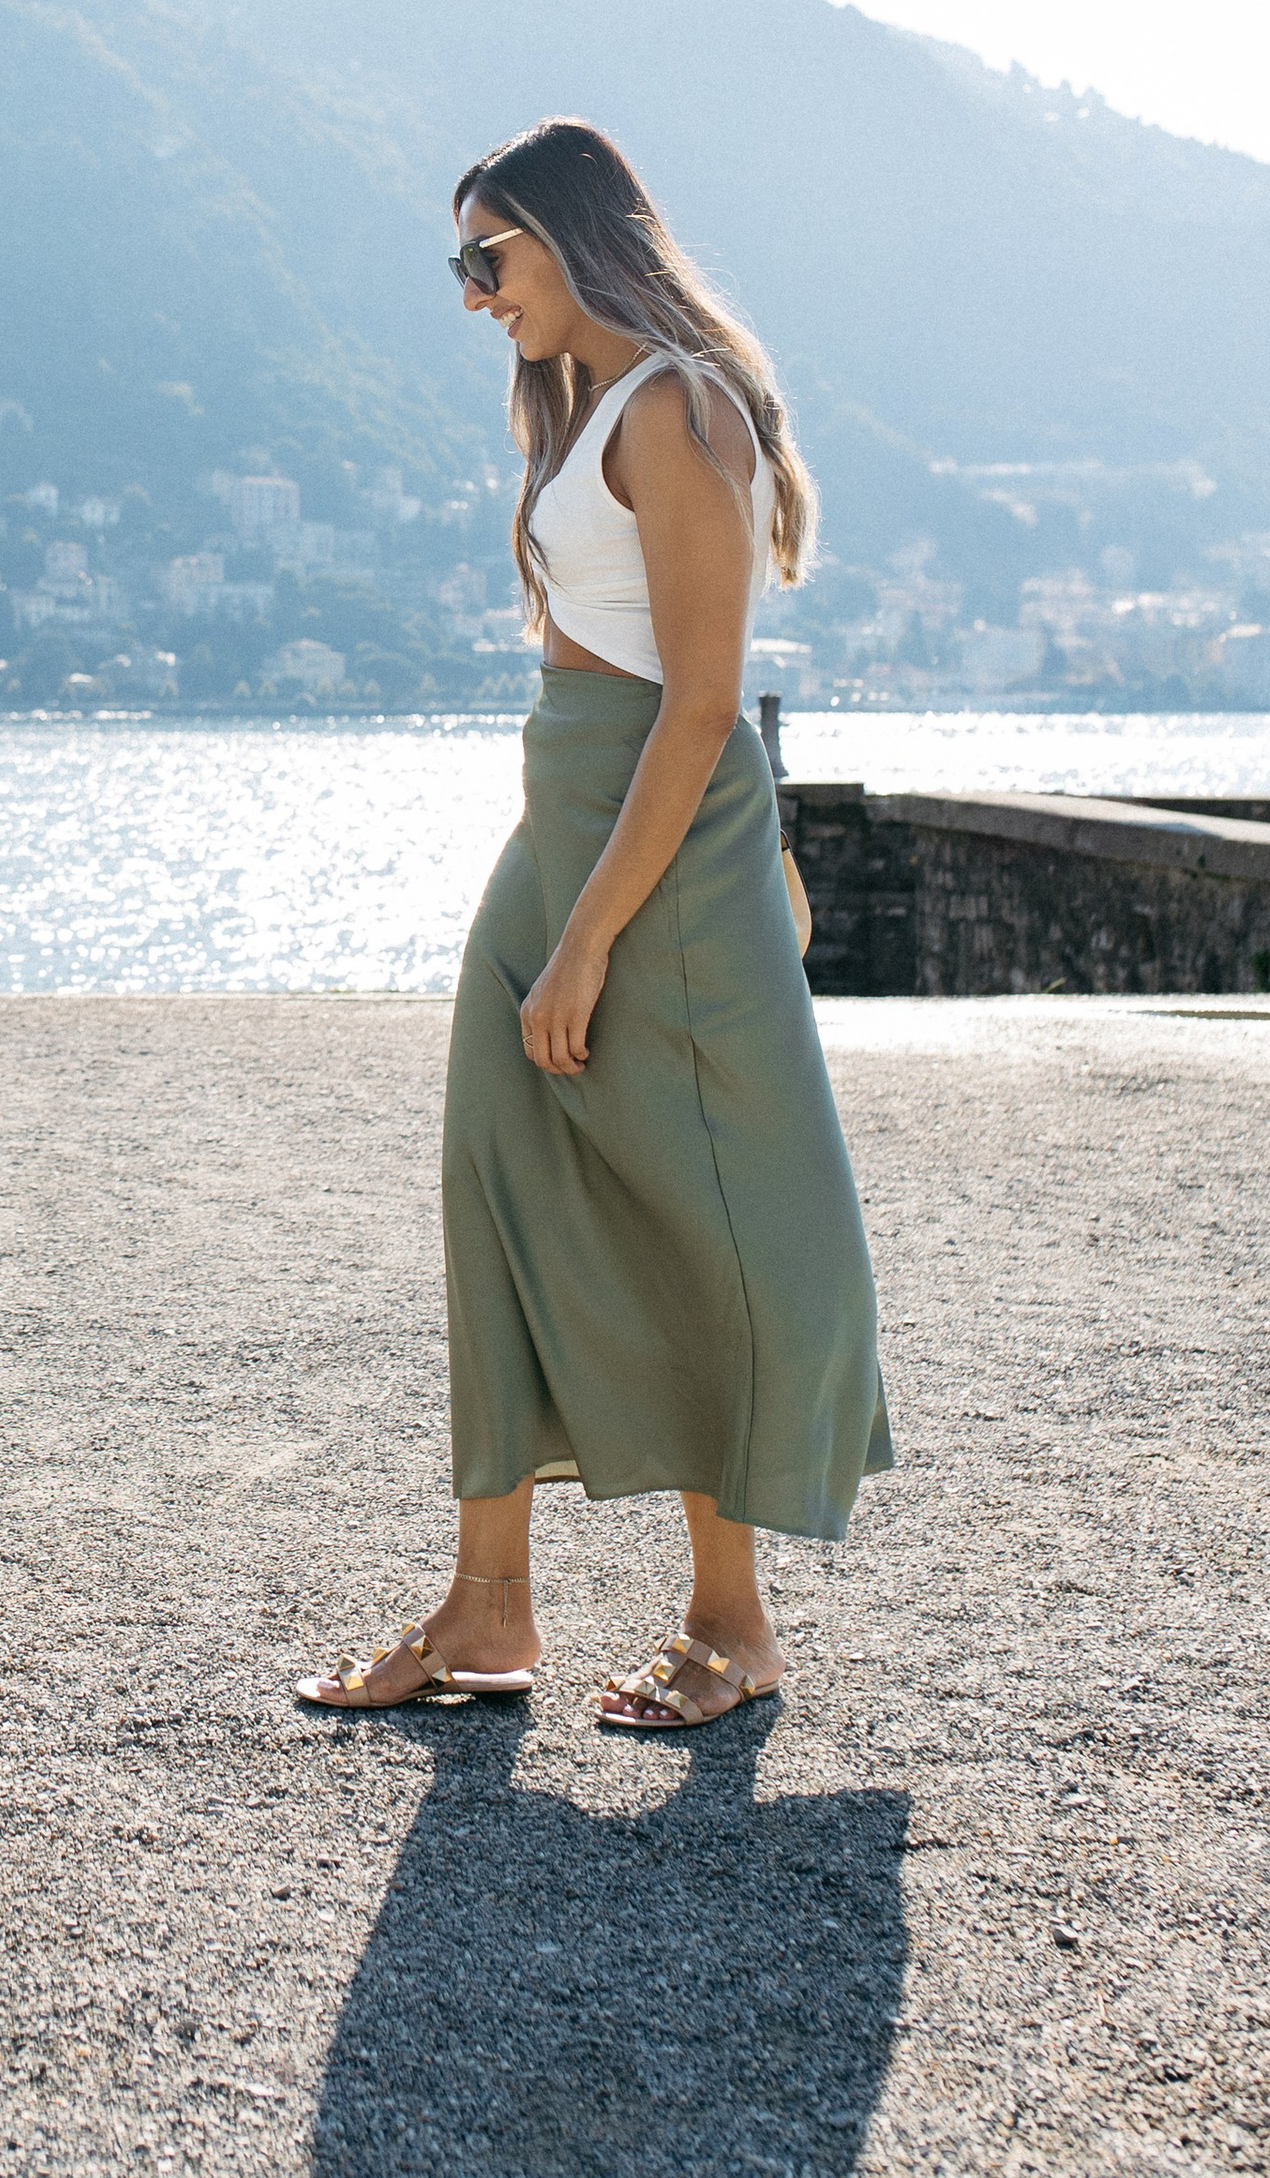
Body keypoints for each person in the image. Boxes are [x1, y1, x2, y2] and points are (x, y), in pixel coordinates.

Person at [300, 119, 889, 1728]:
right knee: (496, 1166)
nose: (473, 293)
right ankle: (489, 1606)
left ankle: (733, 1622)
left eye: (487, 256)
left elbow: (698, 706)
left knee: (692, 1205)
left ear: (575, 234)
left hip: (656, 840)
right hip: (564, 813)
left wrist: (588, 943)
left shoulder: (679, 407)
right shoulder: (589, 405)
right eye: (461, 264)